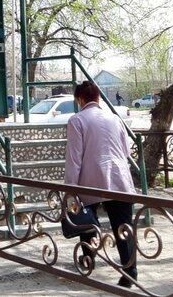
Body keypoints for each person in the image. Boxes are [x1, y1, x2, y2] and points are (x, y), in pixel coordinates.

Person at [64, 81, 137, 288]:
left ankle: (88, 258)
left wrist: (70, 188)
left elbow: (74, 158)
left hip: (91, 180)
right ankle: (130, 271)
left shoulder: (77, 120)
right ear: (98, 97)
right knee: (123, 227)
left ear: (80, 99)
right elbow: (126, 151)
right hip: (119, 178)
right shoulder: (115, 118)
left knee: (86, 220)